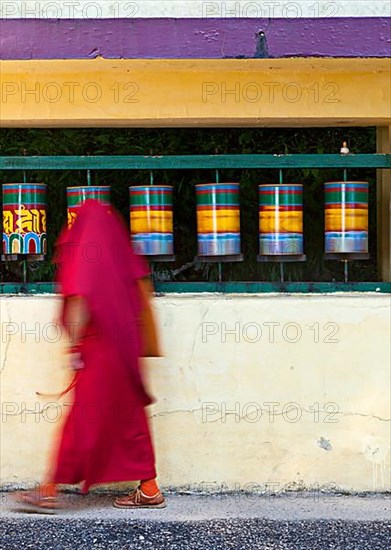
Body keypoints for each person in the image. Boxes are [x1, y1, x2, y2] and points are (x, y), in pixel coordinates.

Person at [18, 200, 165, 512]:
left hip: (99, 347)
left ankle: (49, 488)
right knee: (129, 416)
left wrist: (74, 348)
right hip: (127, 347)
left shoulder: (88, 252)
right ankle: (149, 488)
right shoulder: (119, 252)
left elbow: (81, 298)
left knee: (83, 418)